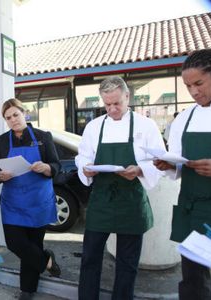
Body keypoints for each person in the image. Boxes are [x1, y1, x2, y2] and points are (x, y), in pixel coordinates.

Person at [75, 76, 165, 300]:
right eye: (107, 105)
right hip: (101, 200)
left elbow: (161, 161)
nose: (112, 109)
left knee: (127, 262)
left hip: (131, 202)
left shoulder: (146, 125)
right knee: (89, 258)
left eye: (117, 103)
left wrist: (141, 169)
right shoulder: (94, 127)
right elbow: (83, 156)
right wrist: (86, 168)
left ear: (128, 97)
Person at [154, 48, 211, 300]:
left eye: (199, 83)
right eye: (188, 86)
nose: (193, 92)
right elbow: (179, 159)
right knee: (193, 278)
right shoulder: (184, 119)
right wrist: (170, 165)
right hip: (194, 208)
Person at [0, 98, 61, 300]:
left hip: (38, 201)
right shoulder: (1, 141)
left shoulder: (43, 137)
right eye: (8, 118)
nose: (13, 120)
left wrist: (47, 168)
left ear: (24, 113)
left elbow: (56, 166)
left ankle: (27, 290)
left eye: (16, 115)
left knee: (33, 245)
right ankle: (47, 261)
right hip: (12, 202)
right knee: (15, 243)